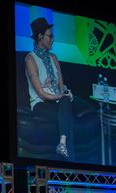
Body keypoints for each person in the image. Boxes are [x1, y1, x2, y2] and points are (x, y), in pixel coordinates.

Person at [25, 17, 73, 160]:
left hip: (57, 102)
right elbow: (41, 94)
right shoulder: (30, 59)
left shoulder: (54, 58)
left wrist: (66, 93)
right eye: (50, 36)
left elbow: (61, 86)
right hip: (41, 103)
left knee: (66, 103)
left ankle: (62, 144)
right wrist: (60, 96)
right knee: (67, 117)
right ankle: (69, 162)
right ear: (40, 36)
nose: (53, 39)